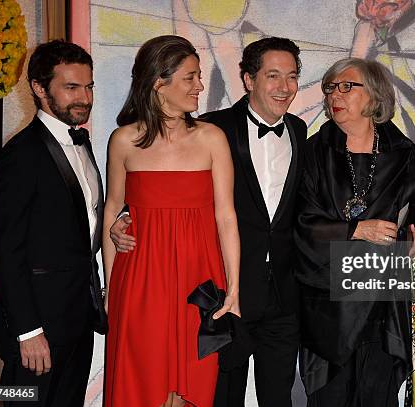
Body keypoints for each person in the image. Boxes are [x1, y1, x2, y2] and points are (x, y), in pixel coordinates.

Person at [110, 37, 307, 407]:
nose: (285, 86)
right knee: (216, 394)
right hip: (214, 288)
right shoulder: (215, 127)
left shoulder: (300, 130)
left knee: (278, 395)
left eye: (292, 76)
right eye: (273, 75)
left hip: (281, 291)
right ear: (249, 80)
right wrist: (124, 219)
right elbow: (133, 195)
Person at [294, 57, 415, 406]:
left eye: (347, 86)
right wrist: (355, 229)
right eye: (331, 87)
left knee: (377, 396)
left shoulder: (404, 154)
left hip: (384, 303)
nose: (336, 94)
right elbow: (301, 222)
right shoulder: (313, 151)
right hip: (329, 307)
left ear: (374, 95)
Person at [102, 35, 240, 407]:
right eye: (190, 78)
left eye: (199, 76)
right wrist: (111, 290)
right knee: (142, 383)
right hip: (141, 281)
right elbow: (112, 209)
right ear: (157, 83)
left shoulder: (212, 138)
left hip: (198, 279)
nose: (200, 86)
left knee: (192, 386)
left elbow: (226, 216)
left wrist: (234, 289)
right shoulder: (124, 141)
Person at [0, 40, 106, 406]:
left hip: (78, 318)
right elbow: (4, 251)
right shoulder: (20, 156)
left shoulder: (81, 143)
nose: (83, 98)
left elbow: (74, 221)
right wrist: (28, 331)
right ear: (39, 88)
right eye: (71, 88)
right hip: (38, 328)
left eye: (88, 87)